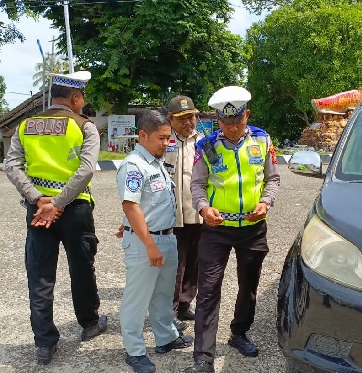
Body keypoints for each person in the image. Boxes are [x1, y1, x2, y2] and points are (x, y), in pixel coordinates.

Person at [3, 71, 107, 365]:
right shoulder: (85, 127)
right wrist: (59, 203)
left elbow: (12, 166)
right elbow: (86, 169)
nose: (82, 103)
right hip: (75, 210)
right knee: (82, 268)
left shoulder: (26, 125)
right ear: (75, 98)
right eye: (82, 98)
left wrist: (39, 200)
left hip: (38, 212)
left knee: (40, 275)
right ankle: (89, 324)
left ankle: (44, 342)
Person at [185, 86, 280, 373]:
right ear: (217, 119)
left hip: (252, 227)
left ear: (246, 115)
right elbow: (198, 184)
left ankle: (239, 333)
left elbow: (272, 179)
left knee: (248, 286)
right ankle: (203, 357)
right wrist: (203, 208)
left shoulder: (262, 140)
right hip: (216, 229)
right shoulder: (208, 145)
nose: (232, 129)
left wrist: (266, 202)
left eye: (237, 123)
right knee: (208, 290)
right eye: (226, 124)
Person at [117, 110, 194, 373]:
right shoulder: (134, 165)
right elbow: (130, 206)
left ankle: (166, 337)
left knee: (162, 294)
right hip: (146, 243)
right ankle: (134, 350)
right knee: (137, 299)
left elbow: (147, 204)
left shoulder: (155, 162)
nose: (166, 143)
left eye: (167, 137)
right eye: (161, 138)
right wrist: (149, 244)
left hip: (166, 237)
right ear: (142, 135)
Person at [164, 95, 204, 324]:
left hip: (198, 213)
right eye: (182, 119)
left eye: (192, 117)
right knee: (175, 266)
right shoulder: (164, 139)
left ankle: (186, 304)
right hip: (173, 216)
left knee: (195, 263)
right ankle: (170, 310)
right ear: (170, 119)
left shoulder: (204, 141)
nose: (189, 122)